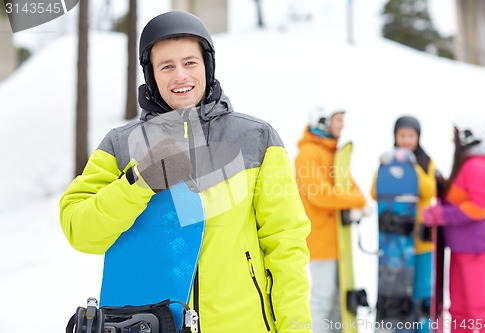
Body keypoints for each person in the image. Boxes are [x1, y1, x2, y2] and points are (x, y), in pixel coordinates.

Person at [59, 11, 312, 333]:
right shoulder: (120, 145)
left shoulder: (257, 138)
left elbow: (285, 245)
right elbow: (81, 232)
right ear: (151, 74)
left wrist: (296, 328)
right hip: (151, 323)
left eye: (190, 63)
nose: (180, 75)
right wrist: (139, 183)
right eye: (167, 66)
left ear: (207, 65)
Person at [294, 107, 367, 333]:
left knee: (338, 300)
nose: (342, 125)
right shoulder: (308, 154)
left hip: (337, 241)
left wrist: (358, 201)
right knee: (322, 299)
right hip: (320, 241)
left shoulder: (332, 154)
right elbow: (320, 194)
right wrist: (356, 202)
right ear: (323, 121)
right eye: (338, 120)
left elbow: (348, 186)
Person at [423, 115, 485, 333]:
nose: (452, 139)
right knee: (459, 311)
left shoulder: (478, 166)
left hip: (475, 250)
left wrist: (442, 215)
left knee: (478, 311)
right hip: (460, 248)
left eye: (456, 134)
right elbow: (461, 198)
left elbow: (480, 206)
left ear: (467, 136)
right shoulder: (467, 164)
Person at [370, 115, 437, 320]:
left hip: (422, 242)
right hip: (397, 244)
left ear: (418, 137)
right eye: (402, 135)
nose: (406, 140)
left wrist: (413, 165)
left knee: (422, 294)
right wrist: (387, 166)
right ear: (395, 137)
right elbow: (375, 192)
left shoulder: (425, 162)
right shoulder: (388, 162)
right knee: (400, 296)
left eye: (411, 135)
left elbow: (429, 190)